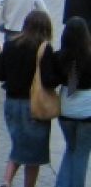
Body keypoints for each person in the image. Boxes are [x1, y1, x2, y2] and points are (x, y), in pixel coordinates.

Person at [0, 10, 53, 187]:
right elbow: (50, 79)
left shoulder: (11, 44)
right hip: (34, 104)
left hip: (12, 103)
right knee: (34, 152)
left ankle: (7, 181)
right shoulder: (44, 48)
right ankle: (26, 184)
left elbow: (1, 74)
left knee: (19, 143)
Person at [41, 17, 91, 187]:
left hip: (66, 110)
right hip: (87, 111)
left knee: (70, 148)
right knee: (82, 153)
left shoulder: (59, 57)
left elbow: (49, 80)